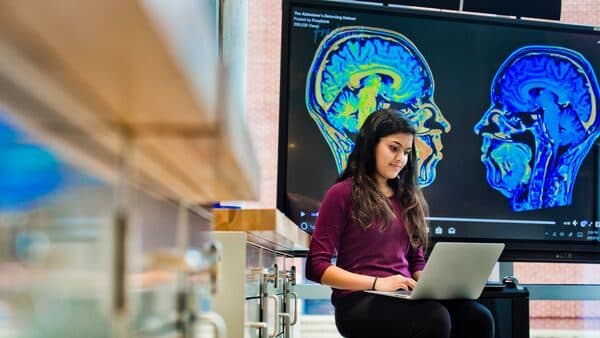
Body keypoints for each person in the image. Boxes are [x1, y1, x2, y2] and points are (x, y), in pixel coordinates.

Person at [306, 108, 494, 338]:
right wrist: (378, 283)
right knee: (433, 318)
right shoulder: (341, 194)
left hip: (402, 295)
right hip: (357, 301)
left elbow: (416, 261)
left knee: (478, 318)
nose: (400, 159)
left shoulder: (407, 198)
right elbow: (316, 267)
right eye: (393, 148)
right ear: (371, 145)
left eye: (406, 151)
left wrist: (430, 282)